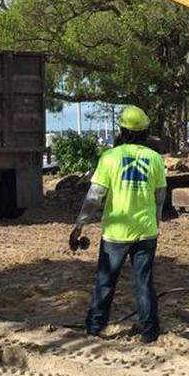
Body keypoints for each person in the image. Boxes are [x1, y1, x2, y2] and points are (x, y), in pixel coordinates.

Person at [70, 106, 167, 343]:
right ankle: (149, 333)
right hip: (145, 232)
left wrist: (79, 226)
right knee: (144, 283)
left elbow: (95, 196)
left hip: (116, 233)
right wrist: (155, 222)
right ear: (145, 132)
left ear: (122, 131)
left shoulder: (110, 158)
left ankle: (94, 328)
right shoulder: (154, 159)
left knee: (105, 282)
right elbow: (160, 196)